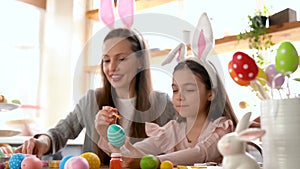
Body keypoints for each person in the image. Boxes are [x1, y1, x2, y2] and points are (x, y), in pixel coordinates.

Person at [15, 28, 178, 165]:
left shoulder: (162, 104)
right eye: (106, 60)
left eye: (121, 59)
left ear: (140, 61)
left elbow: (185, 143)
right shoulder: (92, 100)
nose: (112, 67)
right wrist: (42, 142)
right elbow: (60, 132)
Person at [108, 59, 239, 167]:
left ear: (211, 93)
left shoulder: (222, 128)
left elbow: (200, 153)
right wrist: (110, 136)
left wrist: (155, 161)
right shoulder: (174, 130)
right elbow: (139, 150)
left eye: (189, 89)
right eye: (175, 90)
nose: (179, 97)